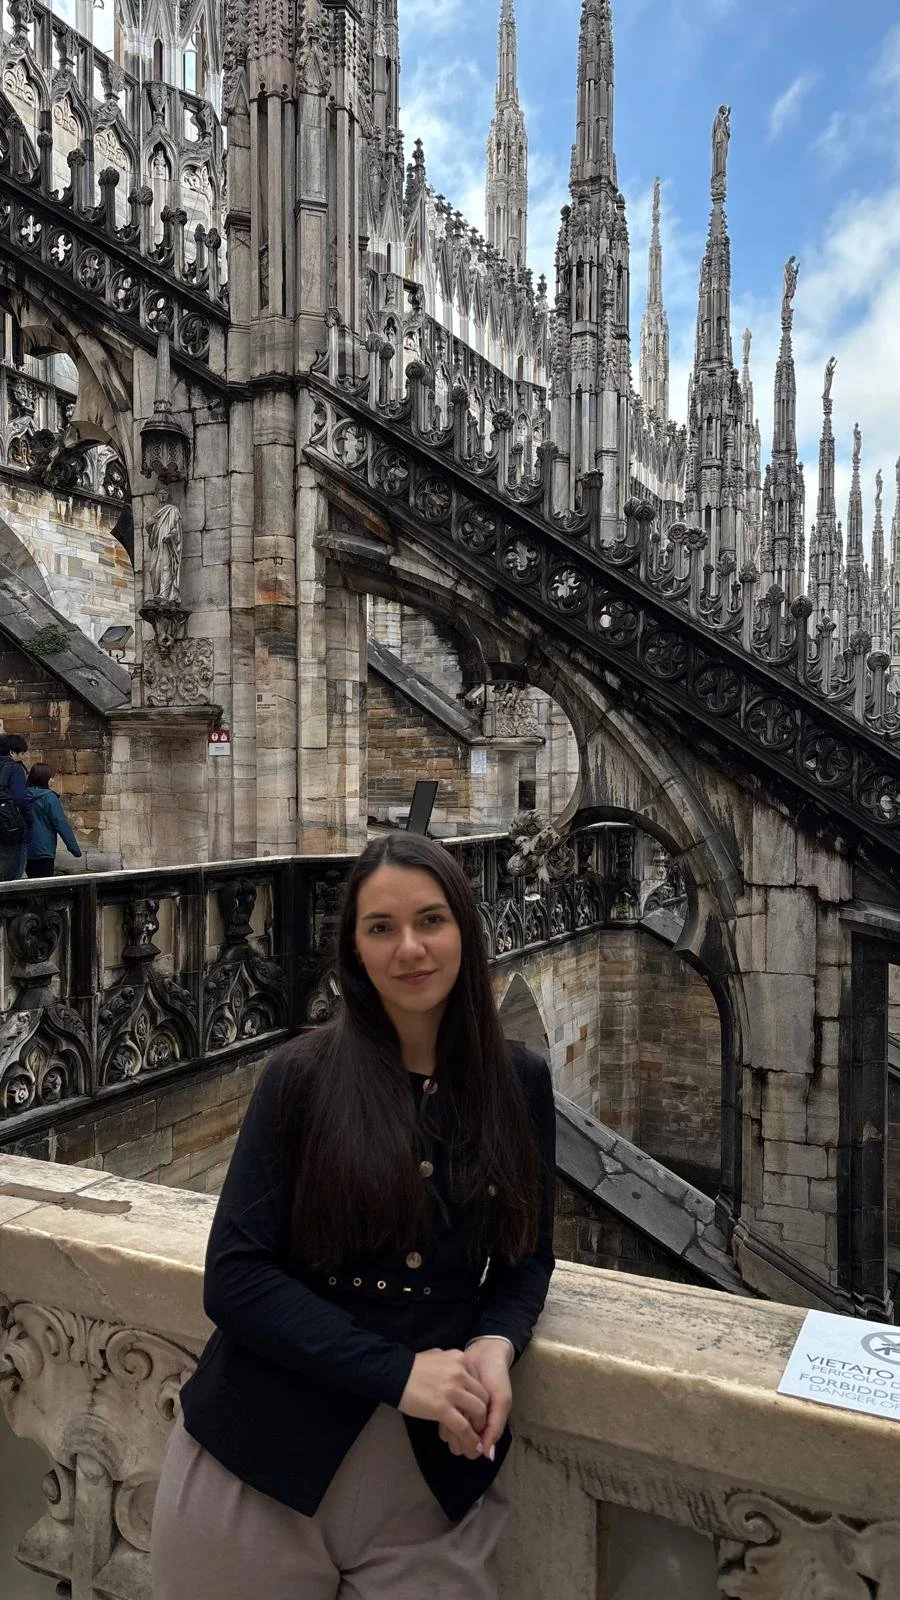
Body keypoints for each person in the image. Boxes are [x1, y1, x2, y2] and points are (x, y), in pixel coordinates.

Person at [151, 833, 556, 1600]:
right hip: (256, 1462)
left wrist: (499, 1343)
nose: (410, 947)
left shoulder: (519, 1082)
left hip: (430, 1482)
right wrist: (399, 1373)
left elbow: (527, 1260)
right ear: (356, 950)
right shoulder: (299, 1076)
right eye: (381, 928)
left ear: (465, 930)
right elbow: (235, 1280)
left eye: (431, 920)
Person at [25, 764, 82, 878]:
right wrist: (74, 849)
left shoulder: (22, 796)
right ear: (44, 778)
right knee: (43, 886)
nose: (53, 781)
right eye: (51, 777)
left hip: (26, 849)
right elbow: (61, 824)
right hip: (44, 849)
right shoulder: (49, 797)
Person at [0, 734, 33, 882]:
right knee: (13, 874)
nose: (21, 758)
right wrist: (28, 820)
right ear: (12, 752)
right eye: (21, 754)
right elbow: (21, 799)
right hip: (10, 826)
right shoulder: (14, 768)